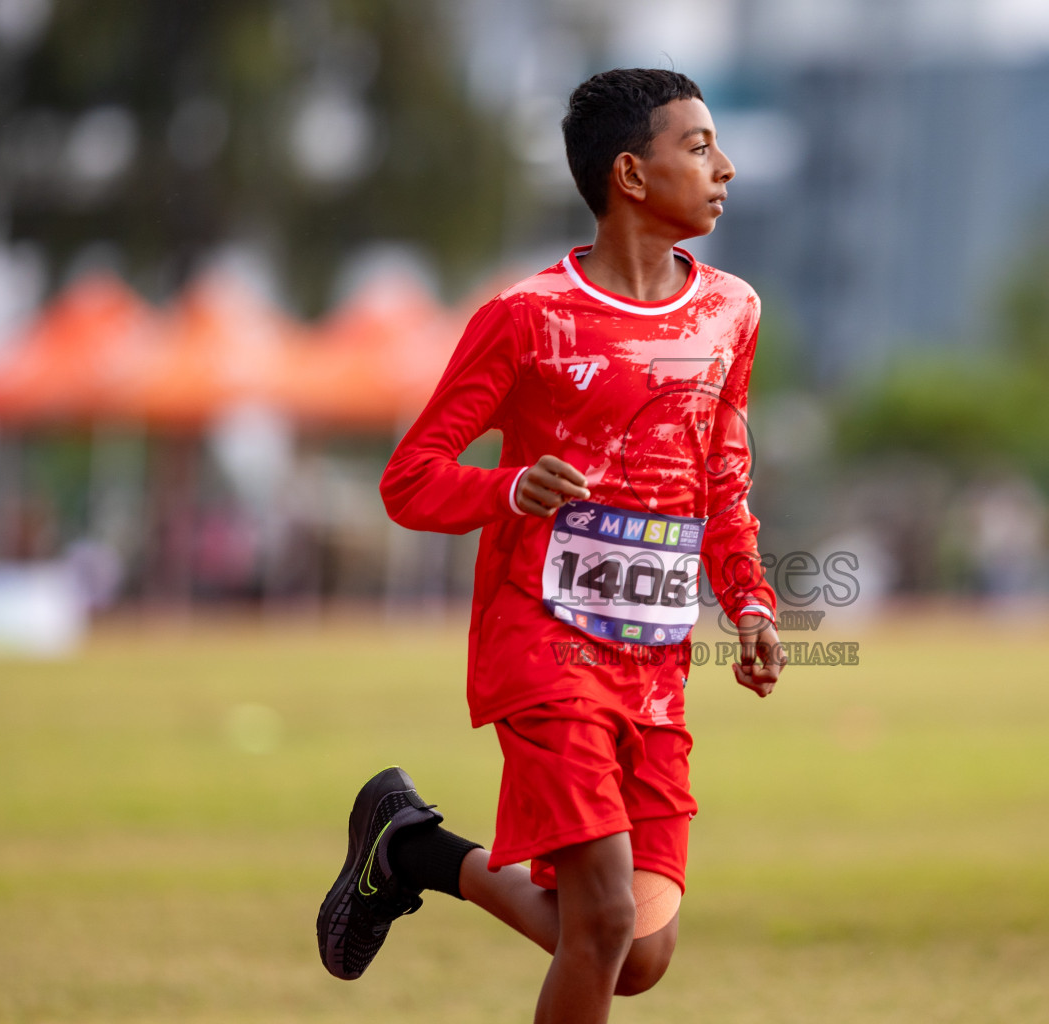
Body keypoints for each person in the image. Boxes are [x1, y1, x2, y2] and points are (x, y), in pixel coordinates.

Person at [316, 68, 785, 1023]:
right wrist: (510, 488)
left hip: (654, 667)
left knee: (638, 954)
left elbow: (721, 485)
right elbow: (409, 480)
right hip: (542, 646)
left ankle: (408, 850)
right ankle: (407, 849)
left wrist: (751, 604)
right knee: (604, 920)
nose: (724, 167)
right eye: (697, 147)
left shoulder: (732, 312)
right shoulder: (527, 318)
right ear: (630, 175)